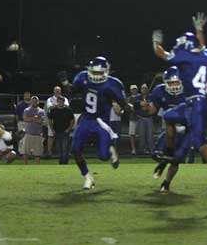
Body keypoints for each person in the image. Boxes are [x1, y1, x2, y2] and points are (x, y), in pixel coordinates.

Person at [153, 12, 207, 194]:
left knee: (199, 144)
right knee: (168, 116)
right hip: (197, 103)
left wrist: (156, 41)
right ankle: (170, 152)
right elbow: (202, 46)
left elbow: (161, 54)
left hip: (195, 104)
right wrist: (199, 30)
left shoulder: (185, 56)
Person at [66, 56, 132, 189]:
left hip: (102, 121)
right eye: (94, 72)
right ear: (89, 70)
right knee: (75, 150)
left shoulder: (113, 84)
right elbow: (71, 92)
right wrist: (65, 82)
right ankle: (88, 177)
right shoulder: (82, 77)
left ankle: (110, 150)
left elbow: (124, 105)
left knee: (103, 156)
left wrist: (129, 108)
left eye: (99, 73)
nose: (96, 76)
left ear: (106, 71)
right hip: (86, 118)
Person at [140, 66, 187, 192]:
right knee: (156, 155)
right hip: (168, 131)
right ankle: (162, 163)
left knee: (176, 160)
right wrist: (144, 107)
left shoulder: (190, 92)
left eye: (176, 82)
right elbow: (152, 111)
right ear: (165, 83)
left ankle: (166, 183)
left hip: (185, 132)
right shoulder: (159, 91)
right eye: (171, 83)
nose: (174, 85)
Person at [48, 96, 75, 164]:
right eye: (59, 101)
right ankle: (61, 161)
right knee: (59, 148)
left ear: (63, 102)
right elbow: (50, 120)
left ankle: (65, 162)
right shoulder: (53, 110)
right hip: (56, 131)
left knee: (65, 147)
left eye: (62, 101)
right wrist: (52, 129)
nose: (60, 102)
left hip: (65, 132)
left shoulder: (68, 110)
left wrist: (68, 129)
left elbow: (72, 120)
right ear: (57, 102)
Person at [45, 86, 70, 157]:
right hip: (53, 120)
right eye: (56, 90)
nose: (57, 91)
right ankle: (49, 151)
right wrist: (60, 105)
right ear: (53, 91)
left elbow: (67, 106)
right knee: (51, 136)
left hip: (64, 120)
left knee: (64, 136)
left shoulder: (65, 99)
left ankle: (65, 152)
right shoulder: (50, 99)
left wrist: (55, 106)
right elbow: (49, 107)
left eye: (59, 90)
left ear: (61, 91)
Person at [23, 96, 45, 164]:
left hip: (38, 134)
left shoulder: (41, 111)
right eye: (33, 101)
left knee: (37, 153)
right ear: (31, 102)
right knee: (26, 152)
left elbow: (41, 121)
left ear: (38, 102)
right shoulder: (27, 110)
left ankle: (37, 166)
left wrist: (32, 119)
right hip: (28, 133)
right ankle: (25, 166)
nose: (34, 102)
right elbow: (25, 119)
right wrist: (34, 118)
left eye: (36, 101)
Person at [136, 83, 154, 155]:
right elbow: (137, 107)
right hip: (141, 118)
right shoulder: (138, 97)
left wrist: (145, 105)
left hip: (149, 118)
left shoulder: (151, 97)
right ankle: (141, 149)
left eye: (145, 88)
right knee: (141, 135)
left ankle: (152, 149)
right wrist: (144, 105)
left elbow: (150, 107)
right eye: (143, 88)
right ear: (141, 90)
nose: (144, 89)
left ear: (147, 89)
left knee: (150, 135)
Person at [15, 91, 31, 156]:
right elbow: (16, 115)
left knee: (29, 137)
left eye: (28, 95)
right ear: (24, 96)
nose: (27, 96)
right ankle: (21, 152)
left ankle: (29, 152)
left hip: (30, 122)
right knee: (21, 137)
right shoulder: (20, 104)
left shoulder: (32, 104)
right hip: (21, 122)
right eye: (25, 95)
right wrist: (18, 122)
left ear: (30, 96)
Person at [127, 84, 139, 155]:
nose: (134, 90)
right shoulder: (129, 98)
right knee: (132, 134)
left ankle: (143, 148)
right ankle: (133, 149)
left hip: (140, 118)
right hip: (132, 118)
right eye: (132, 89)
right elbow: (128, 108)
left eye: (135, 89)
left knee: (142, 134)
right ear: (130, 90)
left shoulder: (140, 97)